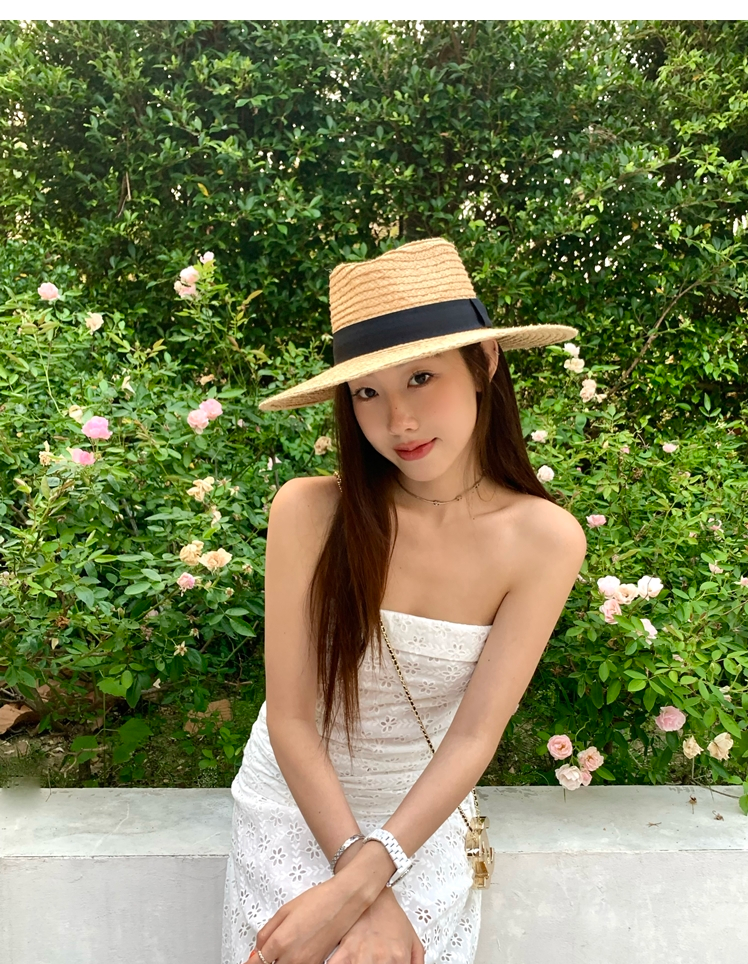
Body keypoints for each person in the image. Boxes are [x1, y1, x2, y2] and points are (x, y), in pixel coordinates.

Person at [221, 237, 587, 964]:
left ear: (484, 362)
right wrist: (356, 880)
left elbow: (474, 737)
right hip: (294, 800)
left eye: (421, 378)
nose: (399, 420)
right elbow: (291, 720)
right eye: (367, 393)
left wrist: (373, 873)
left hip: (424, 814)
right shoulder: (310, 513)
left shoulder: (543, 540)